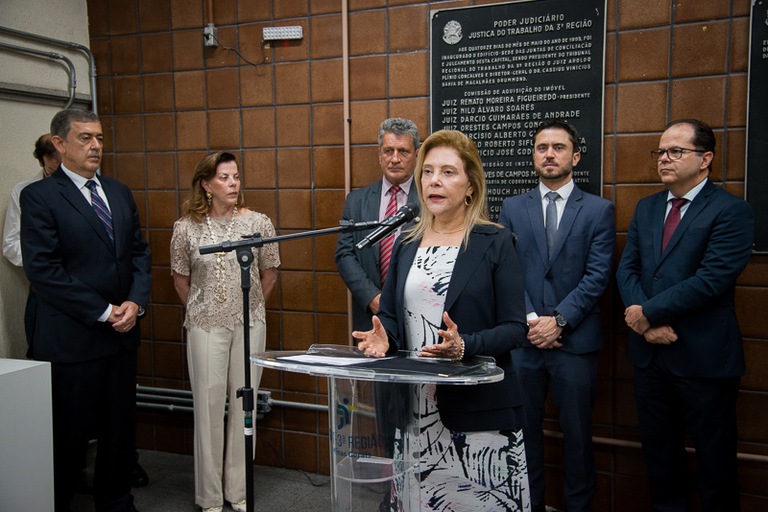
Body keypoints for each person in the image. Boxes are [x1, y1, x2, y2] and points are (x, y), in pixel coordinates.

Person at [355, 129, 531, 510]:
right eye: (428, 171)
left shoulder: (495, 242)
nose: (434, 180)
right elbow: (389, 317)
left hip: (477, 408)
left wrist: (465, 344)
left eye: (448, 172)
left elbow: (516, 328)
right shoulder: (406, 242)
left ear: (471, 185)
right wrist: (383, 339)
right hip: (416, 407)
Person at [616, 119, 754, 511]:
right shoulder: (646, 208)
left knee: (715, 462)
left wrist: (648, 314)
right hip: (650, 358)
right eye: (660, 151)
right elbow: (627, 270)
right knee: (660, 459)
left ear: (705, 159)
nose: (664, 159)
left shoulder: (731, 211)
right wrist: (643, 324)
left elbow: (713, 279)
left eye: (676, 151)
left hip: (703, 358)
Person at [20, 108, 152, 512]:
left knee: (118, 432)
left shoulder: (117, 191)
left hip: (121, 337)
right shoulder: (39, 196)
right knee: (69, 436)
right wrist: (103, 310)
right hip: (72, 338)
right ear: (59, 144)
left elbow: (139, 254)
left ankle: (116, 501)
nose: (95, 145)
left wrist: (135, 302)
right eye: (84, 138)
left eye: (99, 137)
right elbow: (44, 270)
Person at [498, 119, 615, 512]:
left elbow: (598, 275)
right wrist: (533, 321)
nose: (549, 153)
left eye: (558, 147)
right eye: (542, 147)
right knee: (523, 434)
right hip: (525, 343)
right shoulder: (513, 207)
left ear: (575, 156)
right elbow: (508, 269)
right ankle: (528, 505)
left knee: (578, 436)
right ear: (533, 156)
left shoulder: (598, 210)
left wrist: (559, 320)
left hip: (575, 343)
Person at [171, 151, 280, 512]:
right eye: (224, 178)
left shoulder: (259, 222)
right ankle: (210, 497)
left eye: (236, 177)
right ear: (206, 184)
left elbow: (270, 273)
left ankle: (239, 491)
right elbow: (179, 279)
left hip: (249, 323)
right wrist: (205, 310)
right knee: (208, 407)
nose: (233, 184)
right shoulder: (185, 227)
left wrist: (248, 307)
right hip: (204, 325)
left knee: (244, 405)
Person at [335, 117, 420, 332]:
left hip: (418, 314)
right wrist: (372, 297)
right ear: (379, 155)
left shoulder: (429, 201)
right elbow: (345, 254)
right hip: (370, 316)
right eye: (388, 151)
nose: (395, 159)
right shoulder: (356, 201)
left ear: (417, 155)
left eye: (403, 151)